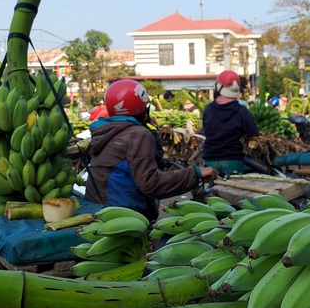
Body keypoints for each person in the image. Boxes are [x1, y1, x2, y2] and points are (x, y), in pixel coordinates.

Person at [85, 79, 218, 221]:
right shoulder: (139, 135)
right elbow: (150, 183)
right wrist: (196, 173)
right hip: (125, 218)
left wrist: (150, 128)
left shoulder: (105, 133)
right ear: (142, 109)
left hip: (99, 212)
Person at [202, 70, 259, 175]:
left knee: (211, 190)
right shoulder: (242, 111)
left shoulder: (208, 109)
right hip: (233, 160)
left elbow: (206, 130)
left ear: (219, 87)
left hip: (210, 159)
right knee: (233, 191)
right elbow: (254, 133)